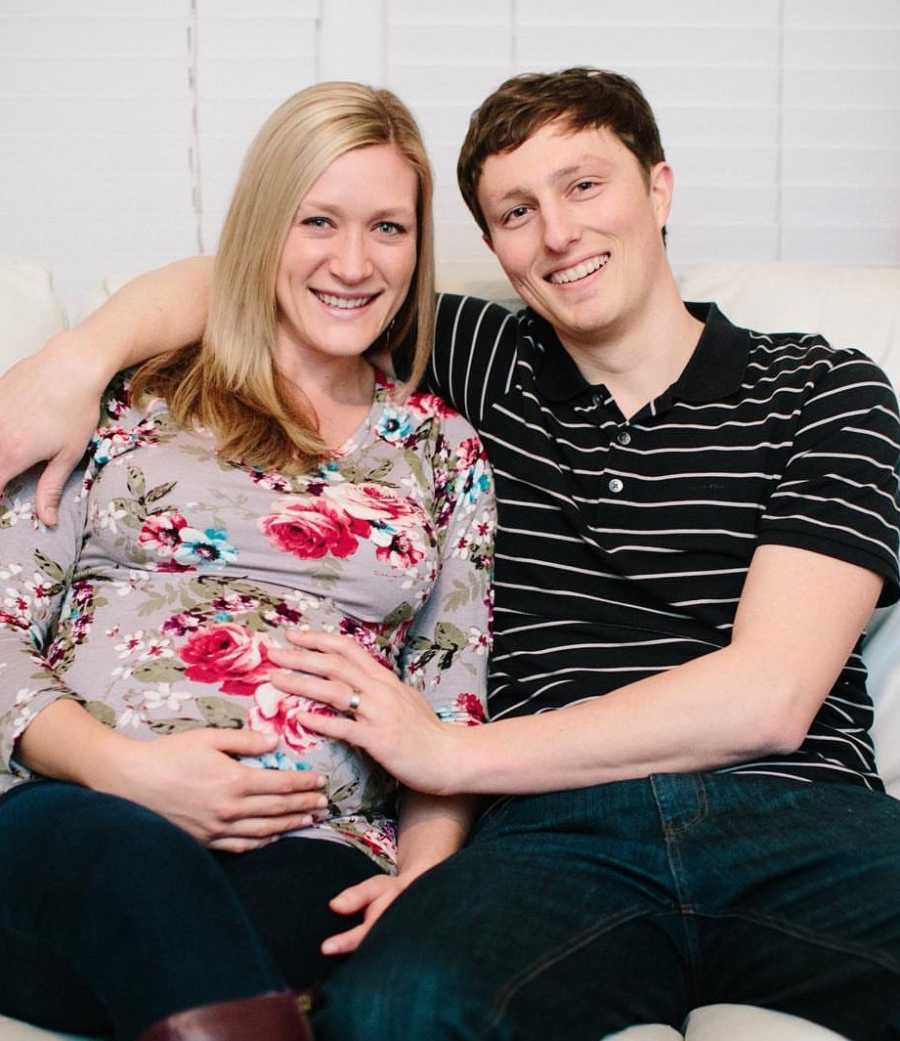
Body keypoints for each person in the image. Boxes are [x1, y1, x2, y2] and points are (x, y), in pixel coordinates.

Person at [2, 65, 899, 1040]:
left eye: (585, 185)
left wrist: (440, 792)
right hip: (549, 839)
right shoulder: (478, 362)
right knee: (391, 1003)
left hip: (791, 818)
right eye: (516, 210)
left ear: (659, 188)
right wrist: (79, 358)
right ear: (490, 247)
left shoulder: (820, 387)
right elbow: (263, 270)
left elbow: (763, 698)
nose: (557, 233)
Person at [0, 81, 494, 1041]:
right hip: (79, 813)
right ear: (265, 227)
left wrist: (424, 880)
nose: (353, 263)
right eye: (319, 220)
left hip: (318, 846)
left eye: (389, 228)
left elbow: (449, 702)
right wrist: (123, 772)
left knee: (266, 944)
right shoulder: (131, 398)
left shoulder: (443, 452)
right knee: (131, 867)